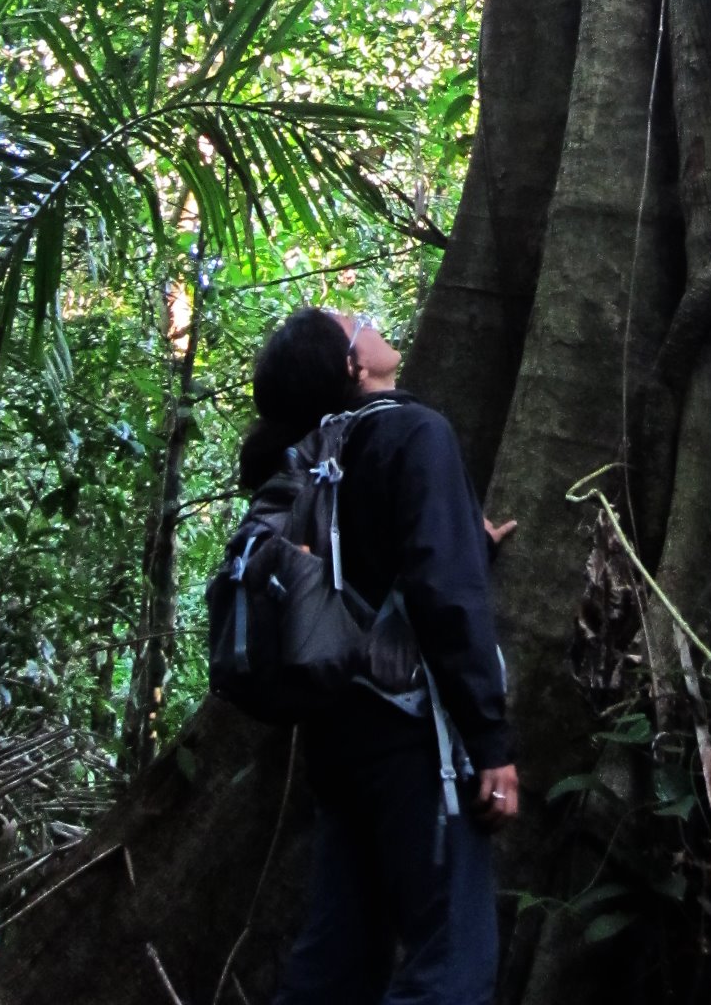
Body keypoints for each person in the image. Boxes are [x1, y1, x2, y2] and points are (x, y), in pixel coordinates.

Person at [239, 303, 518, 1005]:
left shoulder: (308, 453)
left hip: (336, 737)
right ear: (354, 365)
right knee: (451, 963)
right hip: (413, 737)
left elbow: (358, 570)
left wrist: (467, 540)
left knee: (338, 959)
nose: (368, 319)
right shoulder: (413, 433)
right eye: (356, 320)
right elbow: (445, 595)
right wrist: (490, 740)